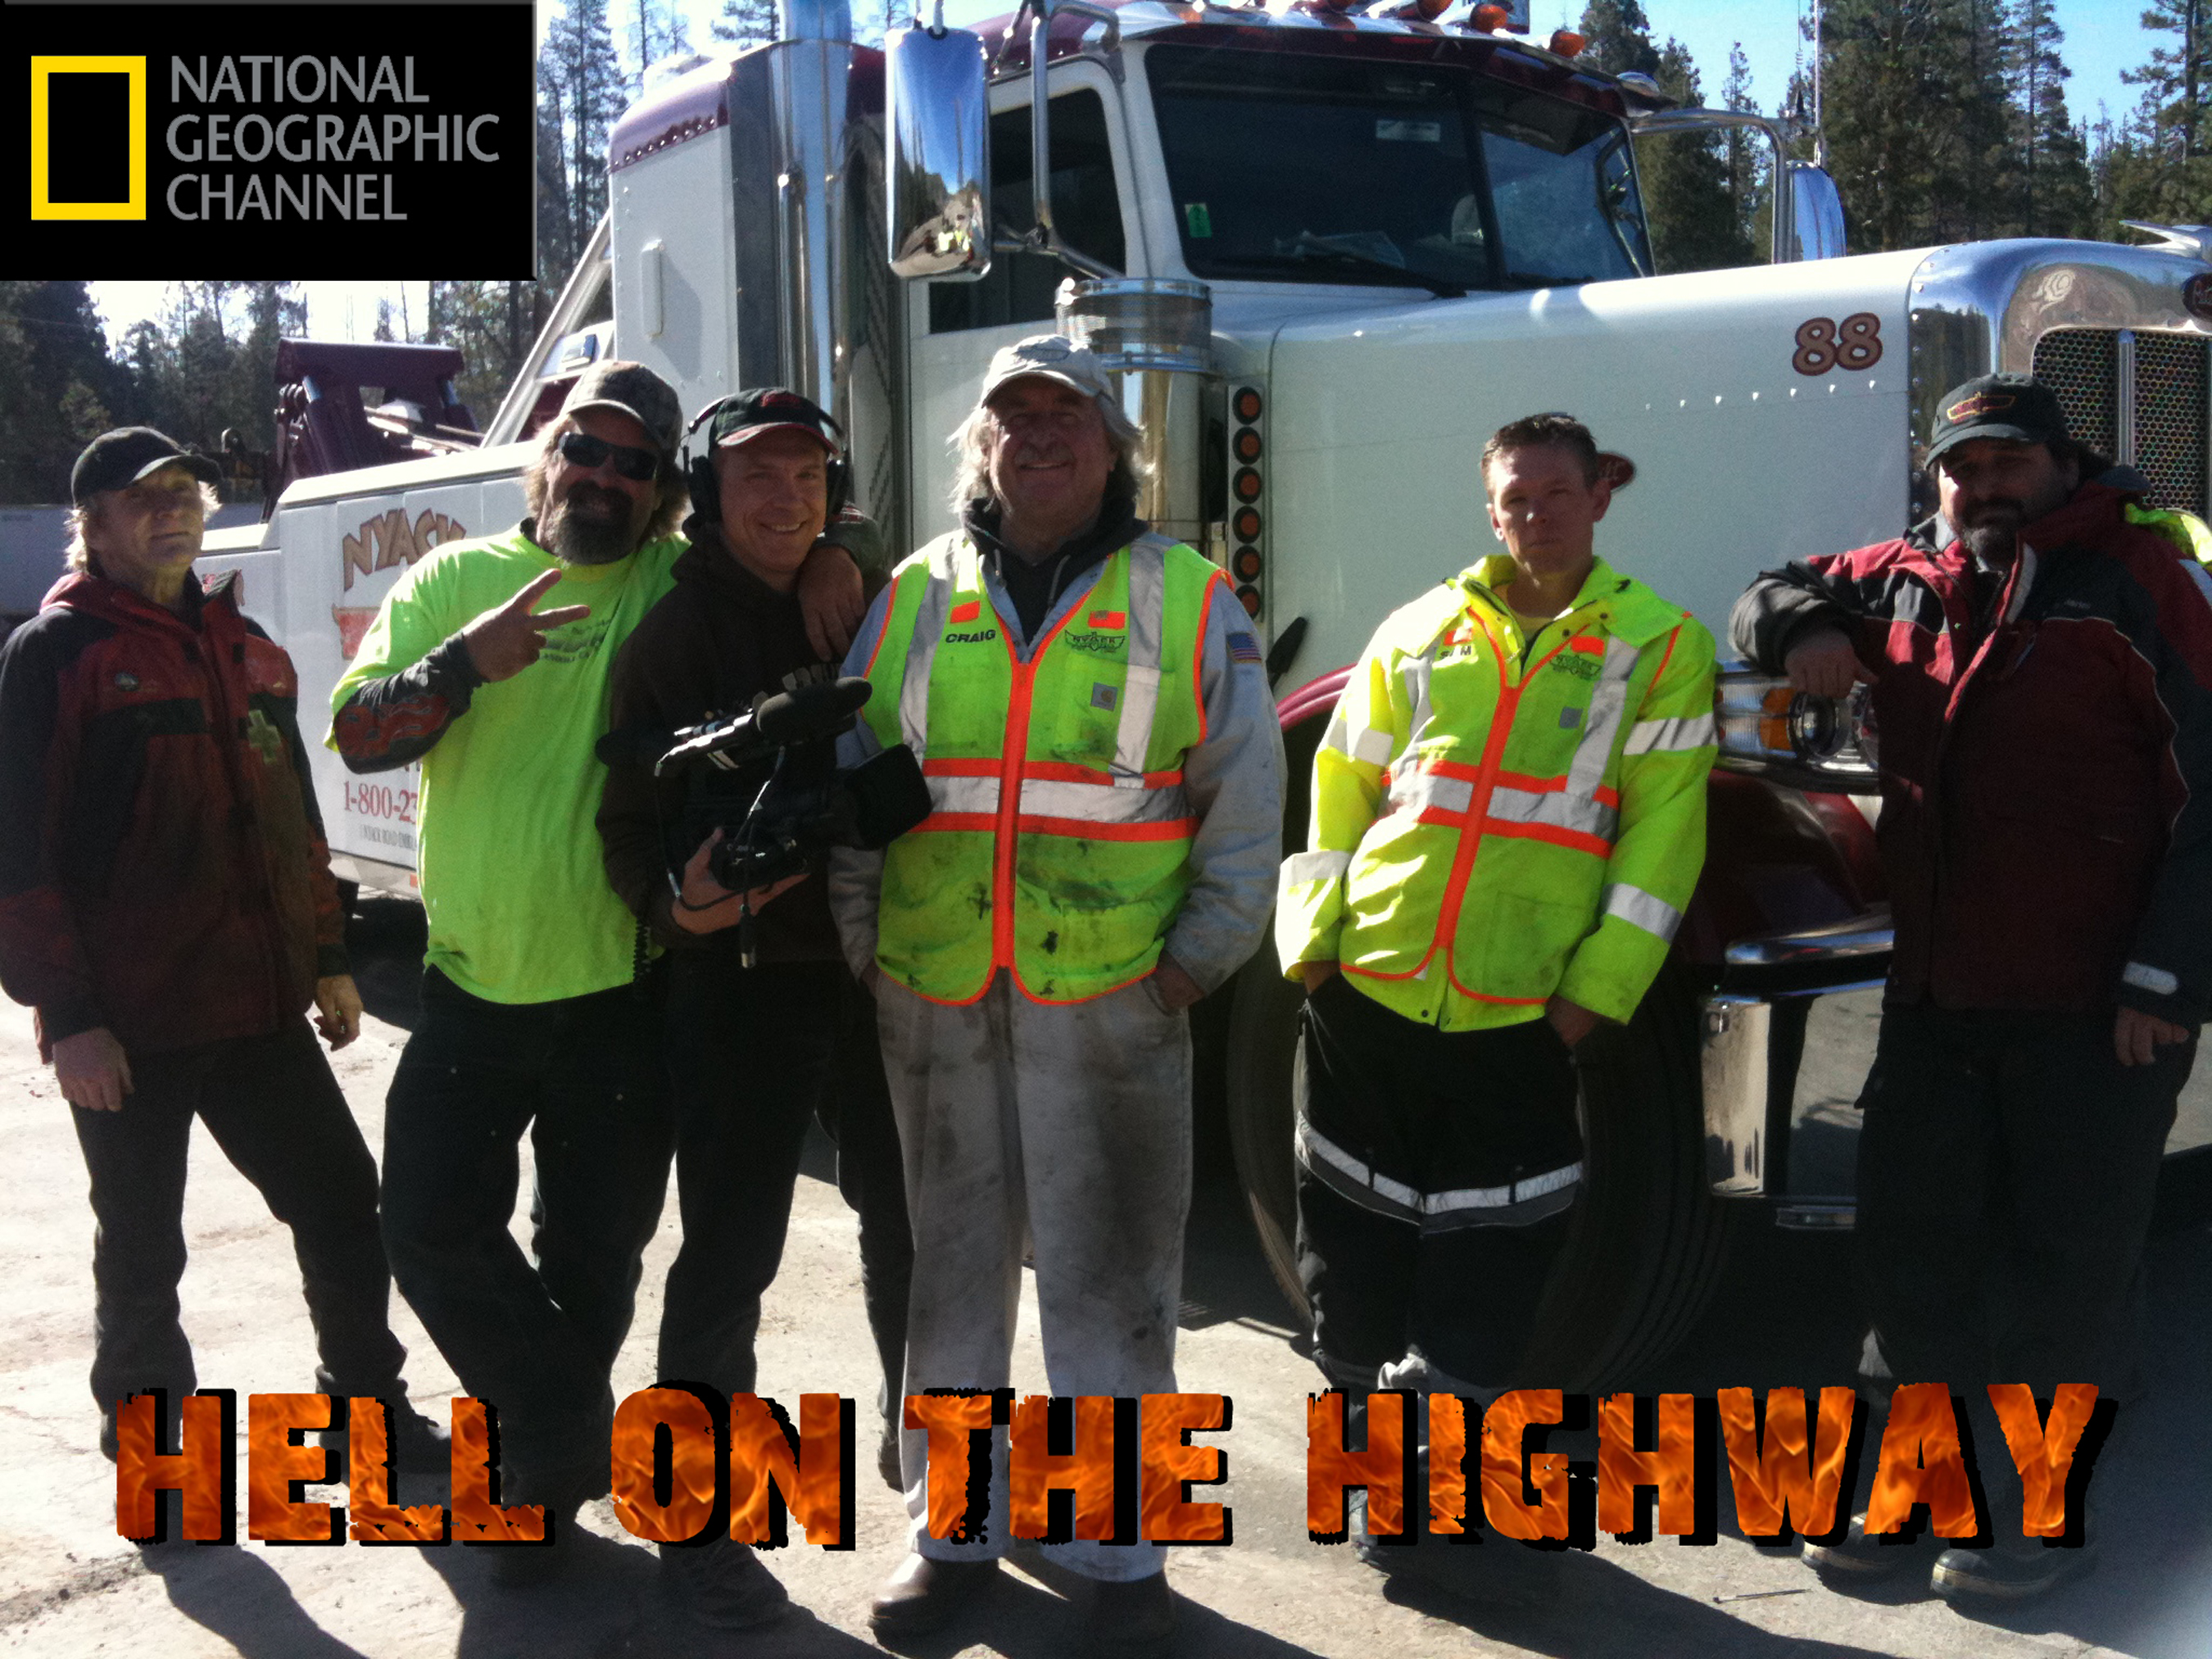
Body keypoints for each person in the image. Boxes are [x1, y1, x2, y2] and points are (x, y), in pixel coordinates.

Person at [331, 362, 870, 1579]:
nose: (606, 477)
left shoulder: (662, 585)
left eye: (637, 463)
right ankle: (570, 1427)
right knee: (424, 1230)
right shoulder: (452, 580)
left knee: (592, 1257)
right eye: (587, 449)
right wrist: (465, 663)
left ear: (663, 490)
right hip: (469, 983)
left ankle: (533, 1493)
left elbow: (776, 516)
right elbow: (359, 729)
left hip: (619, 997)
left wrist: (843, 540)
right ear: (546, 453)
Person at [830, 334, 1284, 1645]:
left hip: (1113, 1000)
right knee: (953, 1277)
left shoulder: (1191, 595)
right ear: (982, 447)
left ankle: (1125, 1560)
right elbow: (857, 767)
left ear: (1113, 446)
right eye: (1011, 420)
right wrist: (867, 936)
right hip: (939, 993)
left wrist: (1200, 956)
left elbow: (1246, 799)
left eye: (1065, 417)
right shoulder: (915, 590)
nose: (1038, 438)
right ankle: (955, 1538)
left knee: (1115, 1283)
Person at [1733, 373, 2212, 1603]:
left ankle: (2038, 1521)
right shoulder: (1903, 574)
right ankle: (1906, 1500)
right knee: (1912, 1257)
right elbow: (1762, 589)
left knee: (2070, 1273)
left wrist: (2169, 975)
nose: (1981, 484)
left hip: (2101, 1004)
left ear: (2060, 464)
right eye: (1961, 465)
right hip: (1937, 997)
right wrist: (1800, 627)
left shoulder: (2143, 583)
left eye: (2005, 460)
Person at [1275, 413, 1716, 1565]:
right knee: (1347, 1240)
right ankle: (1366, 1479)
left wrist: (1591, 1002)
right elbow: (1340, 786)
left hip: (1520, 1012)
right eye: (1514, 499)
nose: (1535, 516)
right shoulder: (1421, 627)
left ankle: (1443, 1476)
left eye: (1556, 494)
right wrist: (1312, 952)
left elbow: (1661, 848)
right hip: (1369, 993)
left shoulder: (1658, 643)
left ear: (1599, 497)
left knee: (1495, 1254)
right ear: (1490, 507)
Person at [0, 427, 442, 1473]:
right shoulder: (56, 654)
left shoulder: (246, 649)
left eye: (187, 492)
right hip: (130, 1019)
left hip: (255, 1004)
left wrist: (329, 954)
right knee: (146, 1245)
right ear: (93, 523)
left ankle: (365, 1407)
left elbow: (296, 817)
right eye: (143, 496)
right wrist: (68, 1017)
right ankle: (156, 1451)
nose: (173, 510)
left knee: (340, 1201)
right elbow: (16, 851)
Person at [596, 387, 901, 1630]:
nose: (786, 500)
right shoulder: (669, 641)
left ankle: (930, 1459)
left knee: (915, 1228)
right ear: (709, 495)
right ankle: (693, 1523)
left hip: (875, 970)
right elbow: (623, 831)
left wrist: (850, 550)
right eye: (757, 479)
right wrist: (687, 909)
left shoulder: (866, 591)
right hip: (738, 987)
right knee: (728, 1259)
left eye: (808, 480)